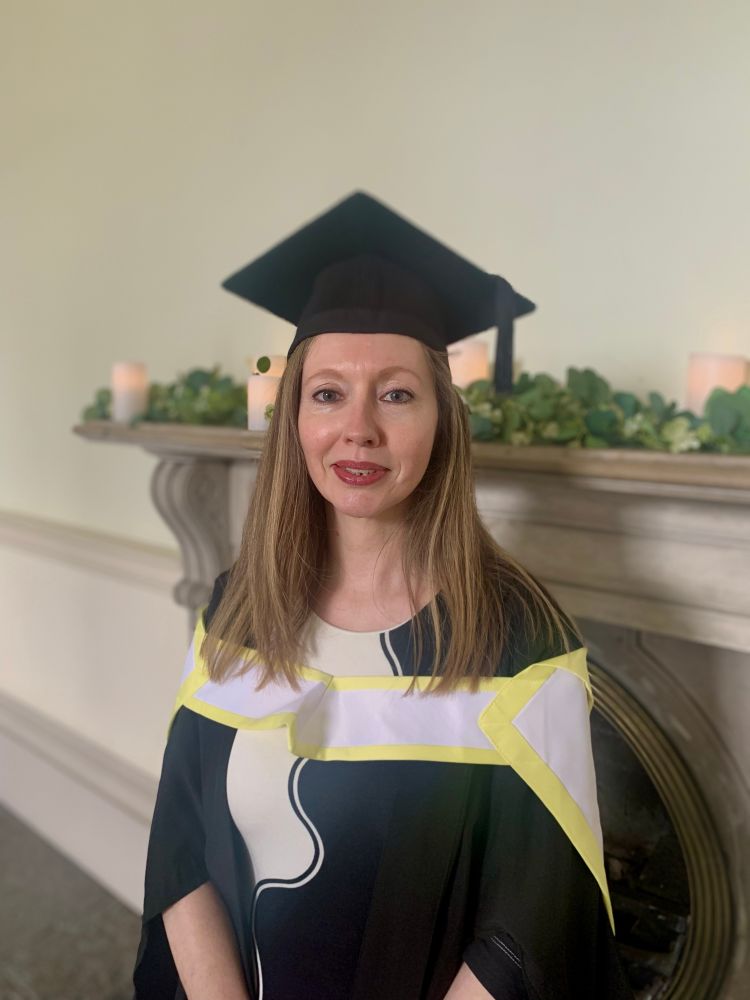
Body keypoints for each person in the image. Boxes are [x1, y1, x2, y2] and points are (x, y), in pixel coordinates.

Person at [133, 192, 632, 999]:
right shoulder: (238, 607)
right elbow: (181, 843)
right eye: (328, 393)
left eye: (396, 394)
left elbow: (537, 916)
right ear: (295, 417)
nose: (358, 428)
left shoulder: (517, 635)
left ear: (443, 420)